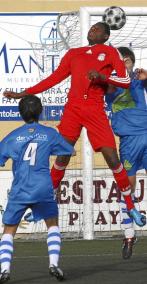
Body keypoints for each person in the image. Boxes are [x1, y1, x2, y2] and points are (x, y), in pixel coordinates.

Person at [3, 22, 146, 226]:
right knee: (62, 156)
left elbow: (125, 81)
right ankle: (44, 206)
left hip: (95, 110)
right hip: (73, 109)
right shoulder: (74, 53)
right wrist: (24, 93)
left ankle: (131, 207)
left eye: (98, 29)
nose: (92, 30)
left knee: (113, 159)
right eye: (92, 28)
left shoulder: (110, 52)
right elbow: (54, 78)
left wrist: (102, 77)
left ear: (106, 36)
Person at [0, 95, 75, 283]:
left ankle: (5, 270)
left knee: (9, 230)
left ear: (20, 114)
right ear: (41, 111)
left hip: (20, 189)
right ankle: (53, 264)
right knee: (52, 224)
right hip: (43, 187)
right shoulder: (49, 134)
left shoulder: (13, 136)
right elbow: (70, 151)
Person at [105, 46, 147, 259]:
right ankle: (129, 235)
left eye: (128, 61)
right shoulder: (111, 84)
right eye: (121, 61)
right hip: (128, 141)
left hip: (146, 134)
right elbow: (110, 88)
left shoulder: (139, 80)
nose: (126, 64)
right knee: (126, 189)